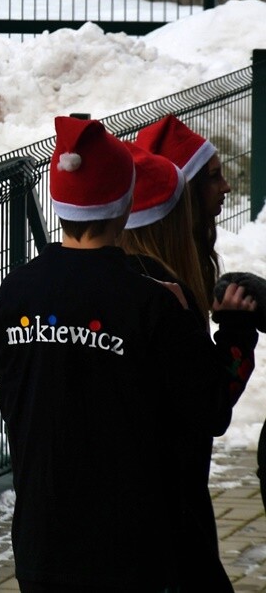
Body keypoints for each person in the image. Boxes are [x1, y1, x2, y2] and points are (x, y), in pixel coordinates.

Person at [0, 116, 258, 591]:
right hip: (130, 549)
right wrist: (234, 331)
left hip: (42, 543)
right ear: (125, 203)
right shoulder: (152, 301)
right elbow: (210, 408)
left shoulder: (15, 291)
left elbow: (13, 401)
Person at [118, 144, 259, 591]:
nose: (226, 187)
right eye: (213, 177)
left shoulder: (147, 282)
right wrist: (236, 335)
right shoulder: (163, 298)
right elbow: (209, 406)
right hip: (164, 518)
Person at [134, 114, 231, 313]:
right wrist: (236, 326)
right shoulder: (154, 285)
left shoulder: (185, 251)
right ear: (187, 191)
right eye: (214, 176)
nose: (226, 187)